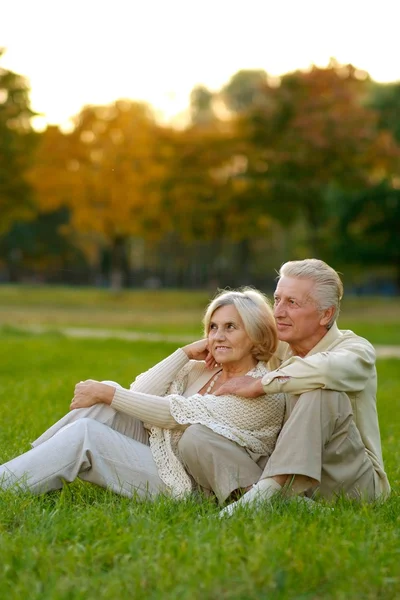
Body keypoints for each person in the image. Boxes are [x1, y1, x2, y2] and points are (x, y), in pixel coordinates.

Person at [0, 288, 285, 504]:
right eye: (213, 327)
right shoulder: (202, 369)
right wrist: (183, 353)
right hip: (162, 454)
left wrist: (108, 392)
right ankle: (29, 470)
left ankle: (11, 482)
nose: (218, 336)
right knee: (105, 405)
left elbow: (173, 414)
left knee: (89, 431)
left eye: (230, 327)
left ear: (257, 336)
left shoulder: (261, 390)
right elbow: (137, 395)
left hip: (187, 483)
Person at [177, 259, 390, 515]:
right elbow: (235, 336)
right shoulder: (278, 344)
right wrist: (203, 347)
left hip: (348, 481)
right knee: (196, 438)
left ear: (326, 314)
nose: (278, 312)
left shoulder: (356, 351)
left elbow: (324, 368)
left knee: (321, 391)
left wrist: (261, 384)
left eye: (292, 303)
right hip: (284, 470)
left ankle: (259, 499)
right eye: (277, 299)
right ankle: (280, 503)